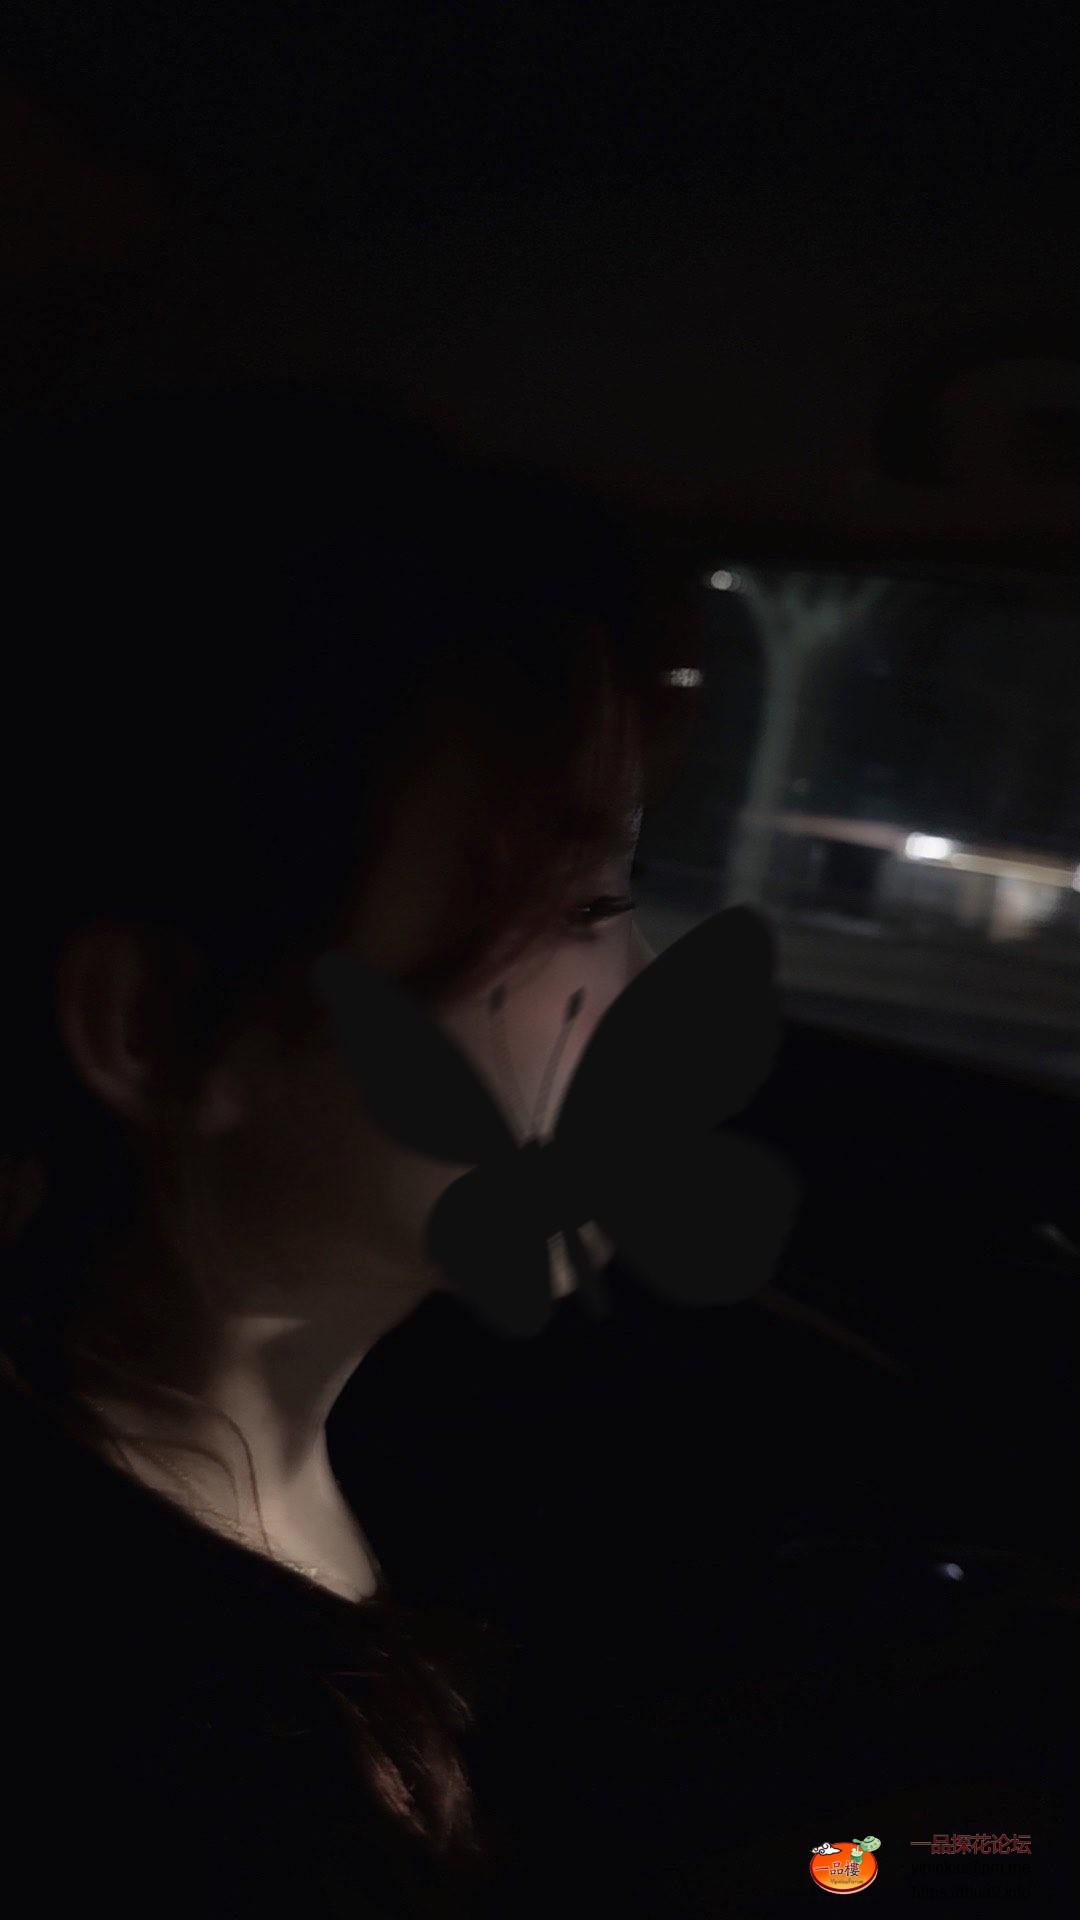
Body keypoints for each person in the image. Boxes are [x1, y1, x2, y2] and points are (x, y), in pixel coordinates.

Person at [0, 373, 697, 1918]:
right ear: (160, 1028)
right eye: (577, 907)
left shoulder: (501, 1435)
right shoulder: (135, 1781)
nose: (644, 988)